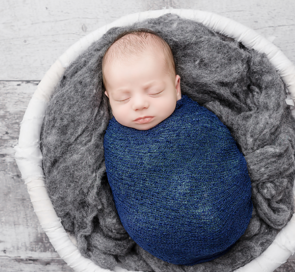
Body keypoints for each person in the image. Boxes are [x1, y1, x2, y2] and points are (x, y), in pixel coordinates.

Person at [102, 30, 253, 266]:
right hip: (158, 243)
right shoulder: (114, 140)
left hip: (227, 222)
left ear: (176, 87)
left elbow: (219, 152)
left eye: (155, 92)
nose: (140, 104)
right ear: (108, 99)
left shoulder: (197, 120)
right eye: (123, 98)